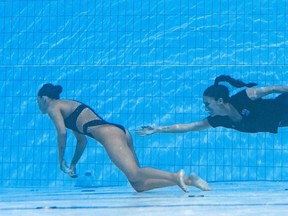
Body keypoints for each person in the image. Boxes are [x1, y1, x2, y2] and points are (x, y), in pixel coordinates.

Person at [37, 83, 210, 193]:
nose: (39, 105)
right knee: (138, 184)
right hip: (118, 131)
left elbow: (61, 132)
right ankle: (188, 180)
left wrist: (61, 159)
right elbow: (82, 141)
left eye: (38, 101)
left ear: (44, 98)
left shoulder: (54, 106)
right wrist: (73, 163)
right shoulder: (67, 106)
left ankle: (175, 175)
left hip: (109, 134)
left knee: (135, 173)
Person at [136, 75, 288, 135]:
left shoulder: (245, 97)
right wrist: (158, 129)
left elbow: (274, 89)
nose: (206, 108)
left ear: (220, 101)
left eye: (207, 103)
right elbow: (188, 127)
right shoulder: (218, 120)